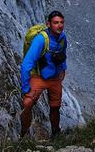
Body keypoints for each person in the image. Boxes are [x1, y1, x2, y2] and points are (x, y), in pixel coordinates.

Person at [20, 10, 67, 138]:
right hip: (39, 77)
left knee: (55, 106)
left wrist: (63, 68)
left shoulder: (62, 37)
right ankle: (23, 134)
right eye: (56, 23)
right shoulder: (41, 40)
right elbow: (26, 65)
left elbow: (63, 53)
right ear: (48, 24)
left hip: (55, 77)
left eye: (62, 22)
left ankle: (56, 134)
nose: (59, 25)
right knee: (28, 103)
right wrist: (26, 88)